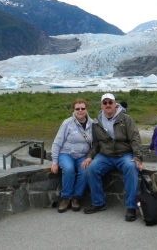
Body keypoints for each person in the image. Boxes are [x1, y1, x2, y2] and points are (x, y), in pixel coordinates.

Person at [81, 93, 143, 222]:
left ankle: (131, 207)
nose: (108, 105)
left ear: (115, 104)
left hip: (124, 154)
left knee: (131, 168)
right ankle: (98, 203)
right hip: (105, 156)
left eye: (110, 102)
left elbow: (135, 139)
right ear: (101, 105)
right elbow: (96, 143)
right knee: (91, 168)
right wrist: (89, 157)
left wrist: (137, 157)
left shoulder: (126, 119)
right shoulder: (97, 122)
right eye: (105, 103)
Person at [51, 99, 92, 213]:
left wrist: (90, 157)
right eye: (77, 109)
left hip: (82, 155)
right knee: (68, 169)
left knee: (86, 170)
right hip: (66, 154)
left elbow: (96, 143)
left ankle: (76, 197)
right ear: (73, 110)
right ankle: (66, 197)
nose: (80, 111)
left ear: (86, 109)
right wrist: (55, 161)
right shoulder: (67, 123)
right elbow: (57, 142)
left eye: (82, 108)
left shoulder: (92, 124)